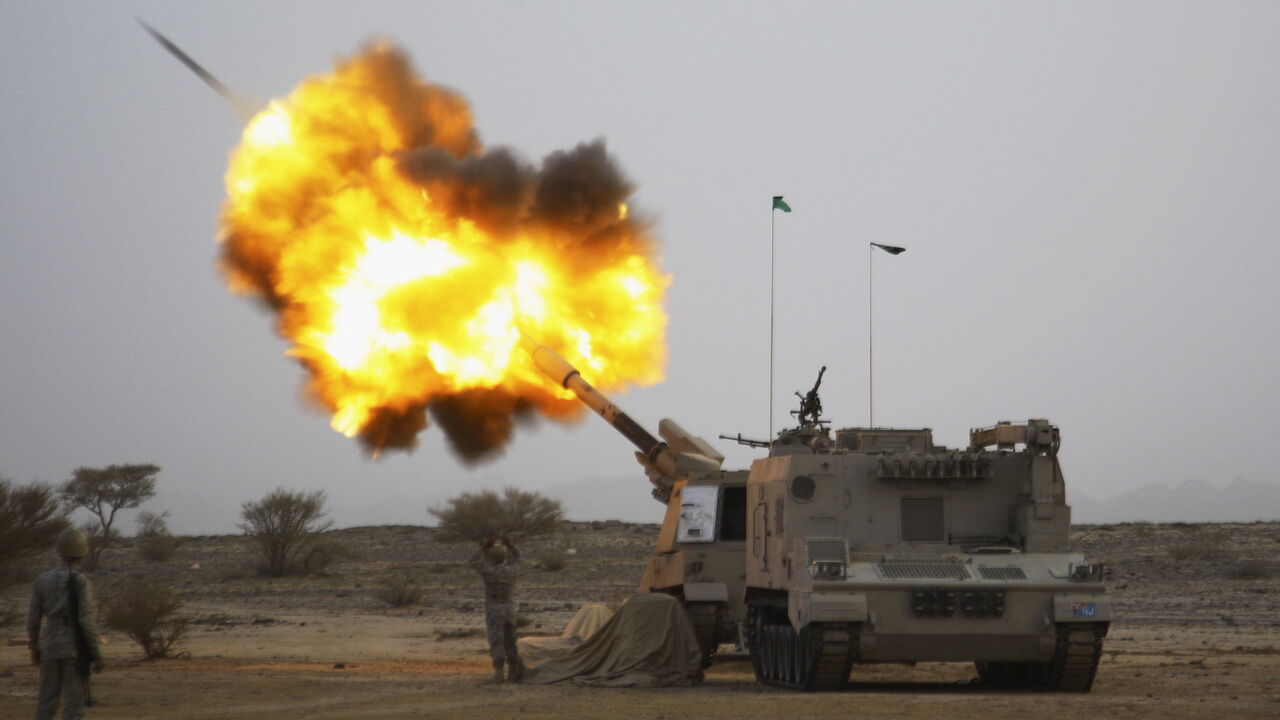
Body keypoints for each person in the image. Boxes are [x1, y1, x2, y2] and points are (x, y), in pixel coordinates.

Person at [28, 528, 104, 720]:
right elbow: (86, 620)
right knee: (73, 705)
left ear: (59, 551)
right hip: (74, 650)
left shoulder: (42, 579)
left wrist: (34, 646)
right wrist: (96, 653)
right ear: (83, 553)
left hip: (50, 647)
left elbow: (33, 618)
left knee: (46, 702)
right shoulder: (80, 581)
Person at [469, 535, 523, 682]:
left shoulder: (489, 571)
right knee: (510, 639)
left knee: (496, 639)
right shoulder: (513, 570)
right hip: (510, 608)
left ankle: (499, 673)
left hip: (494, 608)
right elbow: (519, 557)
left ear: (491, 558)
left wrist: (483, 548)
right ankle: (513, 672)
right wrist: (511, 545)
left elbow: (472, 562)